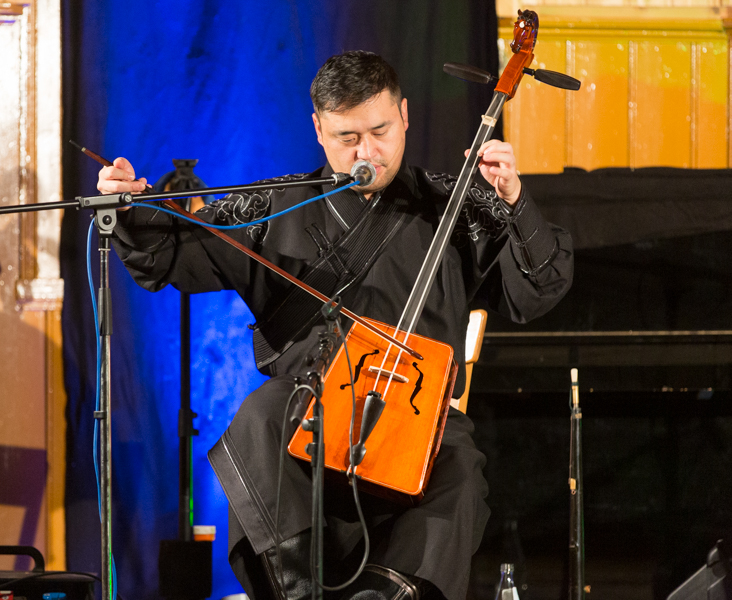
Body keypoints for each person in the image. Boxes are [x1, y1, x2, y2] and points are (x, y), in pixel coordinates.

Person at [97, 51, 573, 600]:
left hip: (417, 421)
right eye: (348, 137)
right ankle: (300, 589)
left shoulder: (452, 207)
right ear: (319, 130)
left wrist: (513, 201)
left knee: (460, 470)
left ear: (405, 117)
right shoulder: (276, 207)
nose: (367, 152)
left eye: (380, 131)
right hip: (309, 414)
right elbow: (174, 253)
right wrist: (131, 209)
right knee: (261, 415)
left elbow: (538, 289)